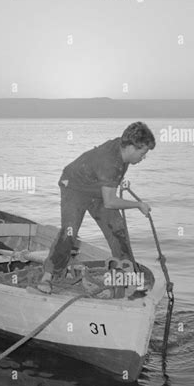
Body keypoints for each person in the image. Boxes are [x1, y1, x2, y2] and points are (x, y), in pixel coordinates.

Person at [37, 121, 156, 294]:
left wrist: (112, 185)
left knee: (117, 229)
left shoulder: (121, 148)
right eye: (143, 152)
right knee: (69, 232)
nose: (143, 157)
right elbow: (110, 202)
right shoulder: (110, 163)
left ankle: (126, 275)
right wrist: (138, 205)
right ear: (131, 147)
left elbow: (108, 187)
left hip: (96, 190)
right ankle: (48, 276)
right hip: (74, 186)